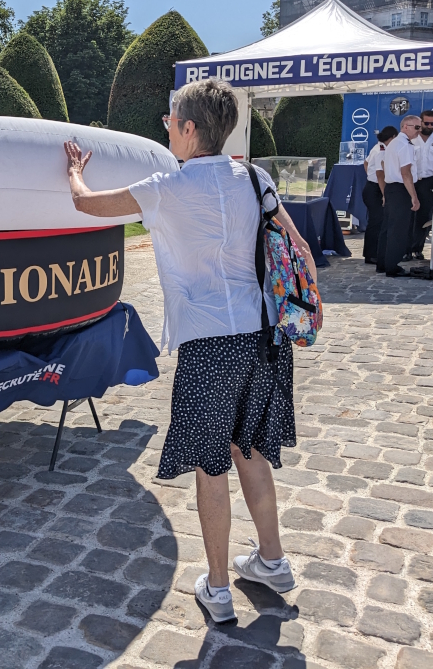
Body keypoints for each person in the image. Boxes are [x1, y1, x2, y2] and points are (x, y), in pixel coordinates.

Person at [64, 79, 316, 623]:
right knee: (250, 451)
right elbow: (298, 249)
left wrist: (74, 170)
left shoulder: (166, 188)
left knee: (211, 466)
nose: (166, 128)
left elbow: (86, 206)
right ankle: (272, 561)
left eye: (169, 120)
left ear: (189, 129)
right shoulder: (256, 176)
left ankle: (219, 588)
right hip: (261, 336)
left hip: (206, 342)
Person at [377, 115, 422, 277]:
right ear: (405, 127)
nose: (419, 131)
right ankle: (392, 265)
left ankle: (382, 262)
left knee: (388, 227)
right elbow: (406, 173)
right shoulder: (404, 145)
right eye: (416, 127)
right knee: (398, 229)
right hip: (400, 189)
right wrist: (414, 197)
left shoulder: (394, 143)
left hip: (391, 188)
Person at [409, 110, 433, 260]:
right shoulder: (410, 139)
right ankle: (405, 248)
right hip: (411, 181)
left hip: (428, 182)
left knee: (424, 217)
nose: (431, 126)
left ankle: (417, 249)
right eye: (427, 123)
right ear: (420, 122)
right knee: (408, 216)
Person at [362, 126, 397, 265]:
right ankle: (371, 254)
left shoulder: (378, 148)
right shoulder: (381, 151)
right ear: (393, 137)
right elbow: (380, 174)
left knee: (378, 221)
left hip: (372, 186)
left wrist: (369, 176)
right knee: (376, 222)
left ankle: (374, 252)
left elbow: (366, 163)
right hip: (376, 188)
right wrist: (384, 194)